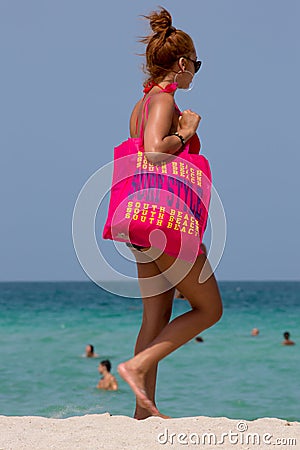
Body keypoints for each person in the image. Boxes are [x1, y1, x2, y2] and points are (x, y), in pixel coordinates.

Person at [117, 7, 223, 419]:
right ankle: (137, 367)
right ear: (181, 64)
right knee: (209, 309)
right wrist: (186, 132)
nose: (196, 71)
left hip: (142, 220)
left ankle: (143, 413)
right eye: (195, 63)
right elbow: (153, 152)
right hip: (166, 222)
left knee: (156, 315)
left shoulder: (141, 103)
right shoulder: (163, 100)